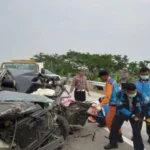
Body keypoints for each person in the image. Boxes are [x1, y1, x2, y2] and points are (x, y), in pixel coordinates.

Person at [104, 83, 150, 150]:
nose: (133, 93)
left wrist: (149, 116)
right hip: (121, 112)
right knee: (114, 128)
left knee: (136, 132)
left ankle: (139, 148)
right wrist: (131, 115)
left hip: (135, 111)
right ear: (126, 91)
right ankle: (113, 144)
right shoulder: (119, 94)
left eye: (134, 91)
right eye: (131, 92)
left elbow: (148, 103)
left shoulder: (140, 94)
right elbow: (120, 107)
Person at [95, 70, 123, 142]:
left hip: (114, 104)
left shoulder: (109, 83)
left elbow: (108, 97)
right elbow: (112, 93)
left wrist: (100, 106)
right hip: (118, 103)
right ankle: (119, 136)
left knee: (109, 121)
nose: (101, 79)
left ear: (105, 76)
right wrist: (104, 98)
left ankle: (114, 136)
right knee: (115, 121)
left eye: (101, 77)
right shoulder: (113, 80)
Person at [132, 66, 150, 143]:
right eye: (143, 74)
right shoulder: (134, 82)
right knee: (137, 121)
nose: (144, 75)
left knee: (149, 122)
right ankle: (136, 135)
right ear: (140, 74)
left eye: (146, 74)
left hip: (148, 107)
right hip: (138, 106)